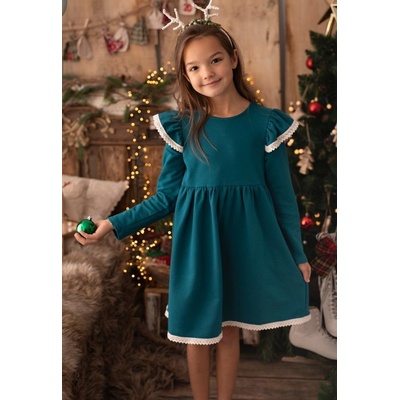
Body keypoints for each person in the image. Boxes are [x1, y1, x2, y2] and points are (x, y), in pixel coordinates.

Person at [75, 3, 312, 399]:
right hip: (199, 245)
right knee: (197, 333)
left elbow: (283, 197)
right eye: (194, 67)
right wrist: (113, 224)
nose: (207, 72)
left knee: (230, 328)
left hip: (245, 243)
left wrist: (297, 253)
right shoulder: (183, 127)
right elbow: (166, 197)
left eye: (215, 60)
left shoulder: (265, 124)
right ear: (185, 75)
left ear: (233, 58)